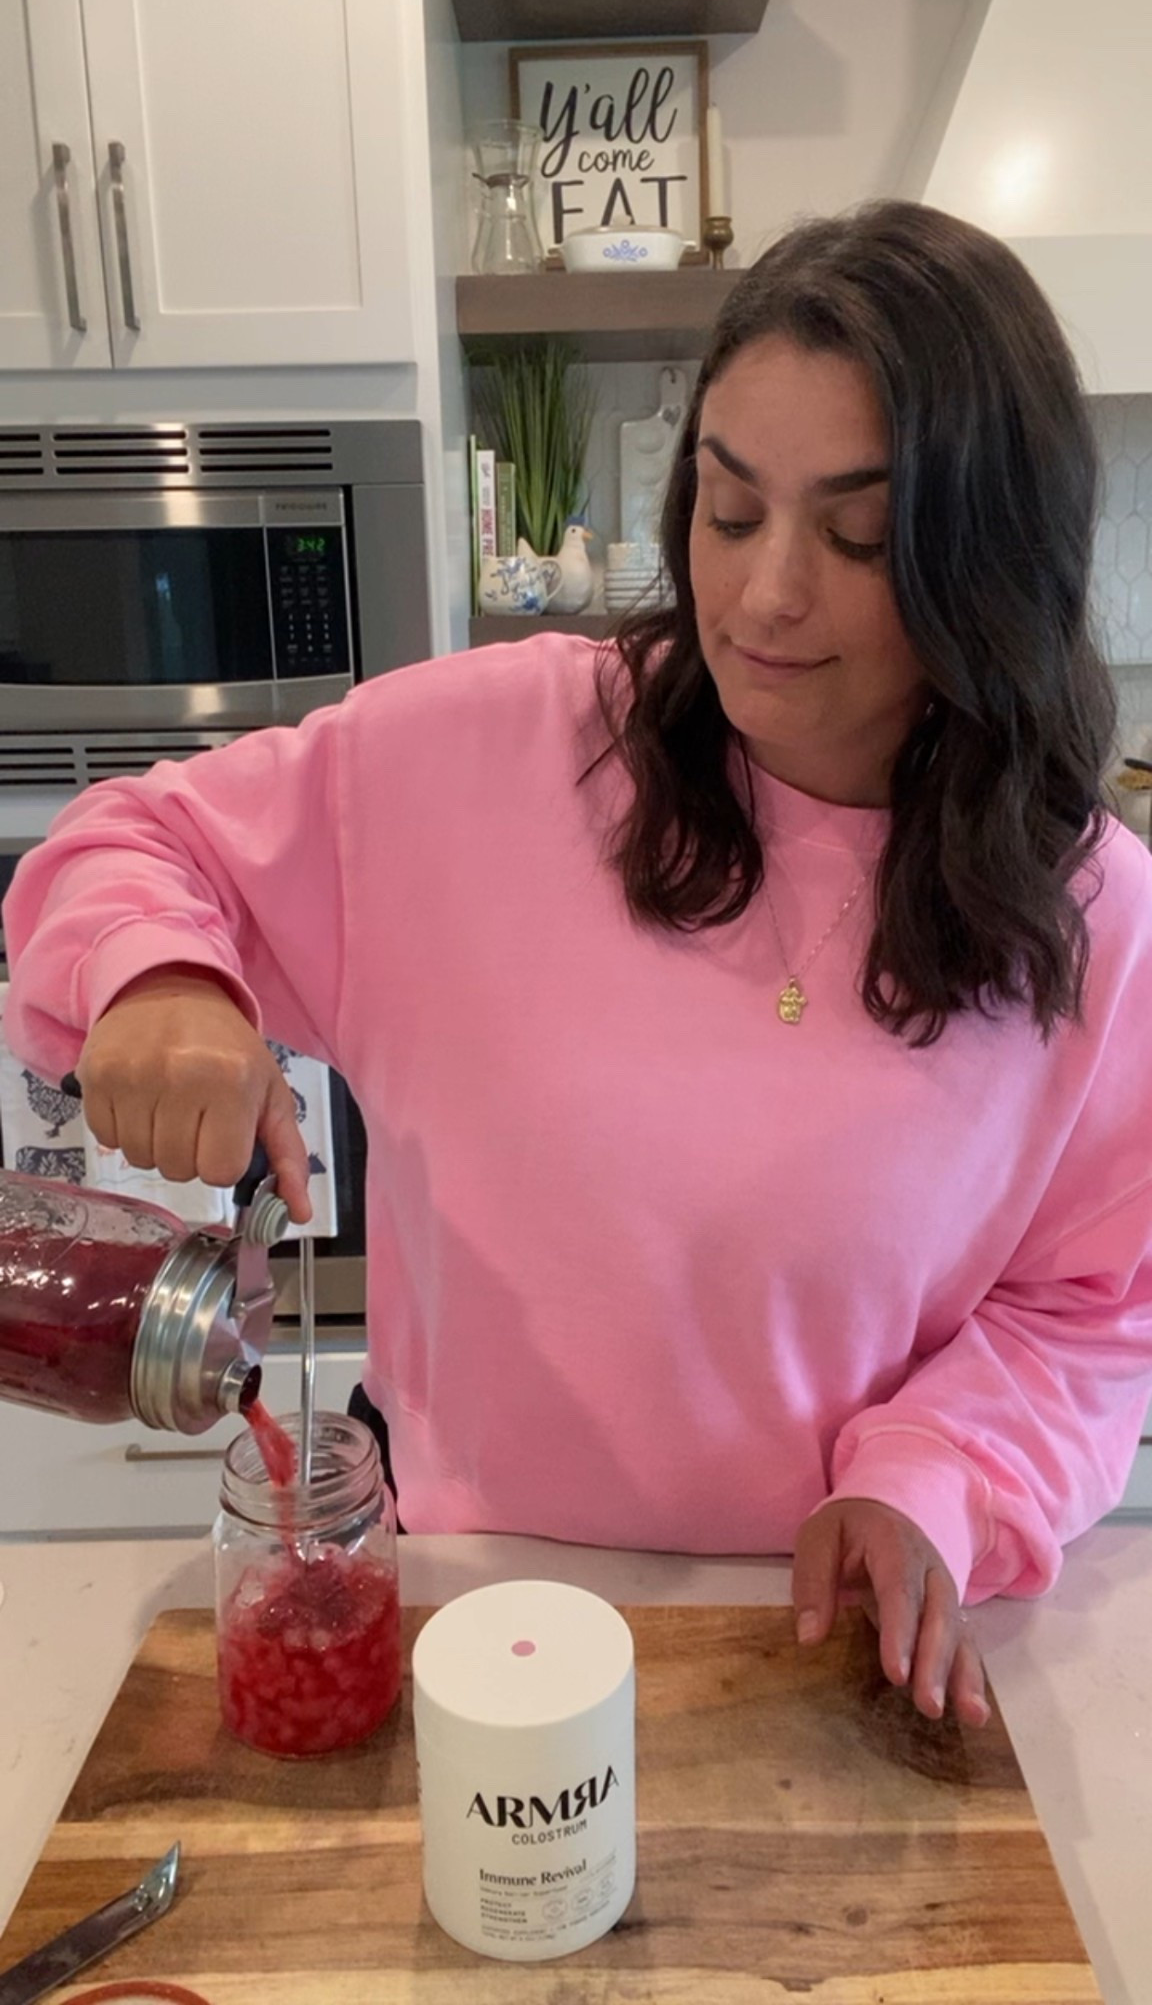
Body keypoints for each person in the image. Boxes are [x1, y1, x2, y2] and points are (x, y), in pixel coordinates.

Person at [6, 199, 1152, 1734]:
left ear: (987, 561)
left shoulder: (1094, 914)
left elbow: (1091, 1307)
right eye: (732, 513)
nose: (764, 598)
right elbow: (128, 843)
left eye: (860, 537)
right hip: (464, 1603)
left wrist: (941, 1475)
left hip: (820, 1647)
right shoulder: (501, 750)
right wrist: (160, 978)